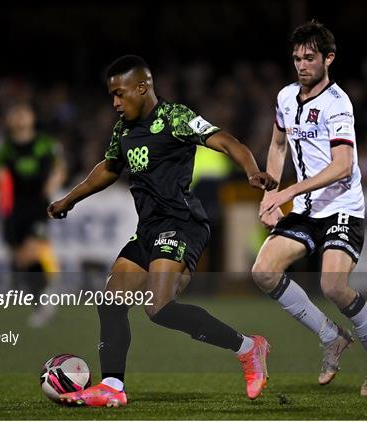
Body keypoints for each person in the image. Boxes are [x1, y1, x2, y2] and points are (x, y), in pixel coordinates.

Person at [47, 55, 278, 407]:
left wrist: (251, 170)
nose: (115, 103)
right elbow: (109, 168)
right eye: (111, 95)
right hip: (148, 229)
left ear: (143, 87)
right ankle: (112, 386)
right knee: (110, 302)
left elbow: (226, 141)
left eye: (120, 94)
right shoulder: (123, 129)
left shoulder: (175, 118)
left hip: (181, 223)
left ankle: (249, 348)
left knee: (159, 308)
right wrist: (70, 198)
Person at [252, 20, 367, 397]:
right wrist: (270, 190)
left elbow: (342, 165)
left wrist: (286, 193)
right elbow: (278, 145)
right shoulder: (285, 97)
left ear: (328, 58)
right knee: (263, 272)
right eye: (297, 58)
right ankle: (330, 336)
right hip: (306, 209)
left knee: (332, 285)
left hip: (342, 207)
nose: (302, 65)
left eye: (310, 58)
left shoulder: (337, 103)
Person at [0, 101, 67, 327]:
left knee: (31, 251)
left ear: (32, 118)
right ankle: (41, 300)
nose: (20, 118)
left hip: (38, 206)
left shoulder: (44, 143)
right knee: (20, 258)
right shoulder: (5, 148)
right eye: (15, 114)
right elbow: (0, 177)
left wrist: (53, 183)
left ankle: (48, 290)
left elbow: (60, 168)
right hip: (15, 208)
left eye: (24, 113)